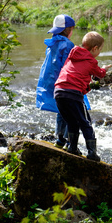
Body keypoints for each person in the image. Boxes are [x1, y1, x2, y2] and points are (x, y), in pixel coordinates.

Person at [54, 31, 112, 162]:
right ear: (95, 48)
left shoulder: (72, 55)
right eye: (100, 49)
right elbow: (100, 74)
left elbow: (73, 74)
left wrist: (87, 85)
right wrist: (104, 69)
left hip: (58, 92)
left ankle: (72, 148)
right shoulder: (91, 61)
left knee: (71, 121)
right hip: (73, 94)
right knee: (85, 123)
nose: (99, 52)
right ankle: (92, 152)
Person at [36, 14, 81, 149]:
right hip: (65, 83)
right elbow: (69, 65)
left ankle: (60, 140)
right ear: (68, 30)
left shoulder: (52, 43)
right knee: (73, 113)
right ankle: (69, 142)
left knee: (61, 111)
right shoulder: (68, 44)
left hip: (52, 82)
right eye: (72, 29)